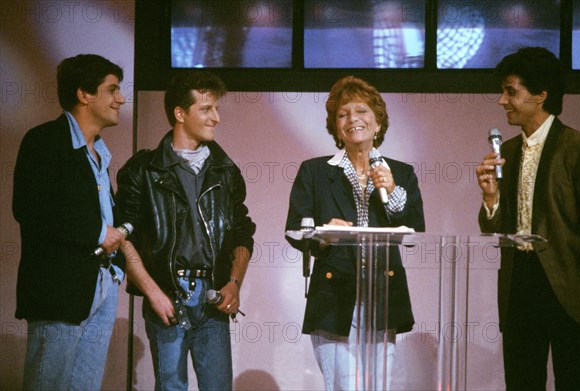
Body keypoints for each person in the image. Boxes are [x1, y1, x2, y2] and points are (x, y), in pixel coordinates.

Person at [116, 71, 256, 390]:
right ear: (180, 113)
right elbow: (125, 238)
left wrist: (234, 283)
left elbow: (242, 233)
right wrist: (153, 293)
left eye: (216, 108)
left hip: (213, 296)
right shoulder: (143, 171)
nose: (216, 118)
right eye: (206, 109)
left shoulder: (226, 171)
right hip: (167, 294)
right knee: (171, 387)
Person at [285, 76, 425, 390]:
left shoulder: (400, 173)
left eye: (361, 111)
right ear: (336, 127)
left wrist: (392, 190)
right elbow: (295, 230)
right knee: (343, 386)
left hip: (383, 297)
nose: (352, 120)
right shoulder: (316, 171)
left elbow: (415, 233)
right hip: (334, 298)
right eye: (343, 114)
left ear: (378, 124)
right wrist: (324, 234)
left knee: (378, 386)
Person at [476, 47, 580, 390]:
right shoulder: (509, 152)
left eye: (511, 91)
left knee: (573, 382)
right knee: (521, 383)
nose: (503, 101)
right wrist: (490, 199)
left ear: (542, 95)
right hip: (519, 284)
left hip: (566, 284)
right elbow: (494, 229)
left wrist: (558, 250)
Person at [12, 54, 128, 390]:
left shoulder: (99, 154)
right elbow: (30, 208)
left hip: (101, 285)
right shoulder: (45, 141)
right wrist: (96, 232)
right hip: (60, 290)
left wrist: (117, 269)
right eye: (112, 90)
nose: (120, 99)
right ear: (84, 94)